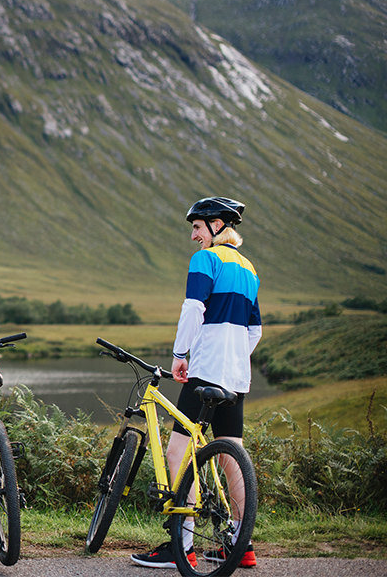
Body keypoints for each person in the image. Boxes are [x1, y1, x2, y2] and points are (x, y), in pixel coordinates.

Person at [131, 197, 261, 570]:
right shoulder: (249, 268)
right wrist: (233, 353)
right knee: (230, 455)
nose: (193, 236)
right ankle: (241, 543)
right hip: (236, 375)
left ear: (217, 225)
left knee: (178, 454)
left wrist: (180, 354)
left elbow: (193, 308)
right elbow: (255, 330)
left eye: (197, 228)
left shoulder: (207, 259)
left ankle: (182, 544)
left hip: (205, 369)